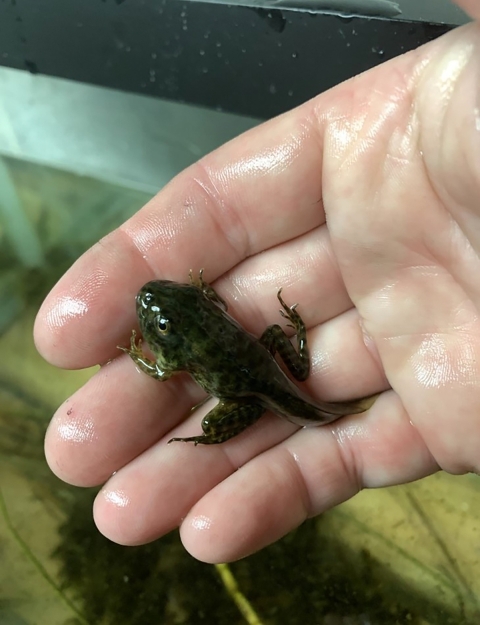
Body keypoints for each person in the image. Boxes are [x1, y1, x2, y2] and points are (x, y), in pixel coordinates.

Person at [34, 0, 480, 563]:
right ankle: (314, 399)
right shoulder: (202, 318)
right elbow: (180, 342)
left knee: (256, 397)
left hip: (255, 372)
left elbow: (163, 364)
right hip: (256, 368)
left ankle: (304, 408)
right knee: (273, 374)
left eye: (167, 311)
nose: (151, 305)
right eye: (161, 317)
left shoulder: (176, 351)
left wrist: (146, 356)